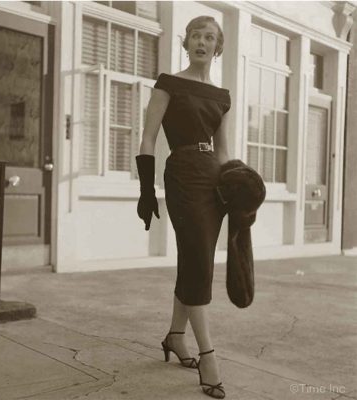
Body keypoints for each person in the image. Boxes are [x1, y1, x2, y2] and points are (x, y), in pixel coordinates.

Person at [135, 16, 231, 399]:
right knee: (196, 260)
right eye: (196, 36)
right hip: (181, 173)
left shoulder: (222, 95)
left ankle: (176, 336)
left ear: (218, 47)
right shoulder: (168, 83)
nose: (202, 42)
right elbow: (148, 136)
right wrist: (146, 190)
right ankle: (208, 355)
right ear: (186, 42)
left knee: (197, 259)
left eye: (209, 37)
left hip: (212, 180)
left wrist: (235, 190)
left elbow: (224, 152)